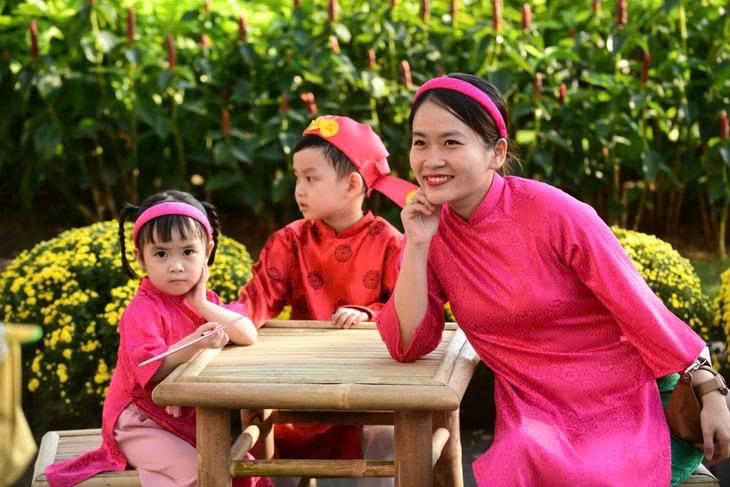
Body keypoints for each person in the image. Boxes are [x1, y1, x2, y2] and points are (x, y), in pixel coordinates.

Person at [376, 73, 730, 486]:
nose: (431, 159)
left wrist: (708, 386)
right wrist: (418, 244)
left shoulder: (556, 214)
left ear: (496, 152)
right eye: (420, 142)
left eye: (451, 142)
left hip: (625, 401)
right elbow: (408, 344)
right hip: (535, 414)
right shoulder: (429, 228)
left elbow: (639, 306)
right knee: (518, 456)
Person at [45, 190, 270, 487]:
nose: (176, 265)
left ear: (207, 251)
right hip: (140, 424)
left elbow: (247, 334)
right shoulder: (141, 311)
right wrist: (195, 344)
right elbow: (153, 369)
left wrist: (202, 304)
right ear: (141, 258)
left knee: (244, 469)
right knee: (201, 472)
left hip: (183, 421)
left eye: (188, 252)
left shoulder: (206, 301)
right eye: (161, 254)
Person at [238, 115, 415, 486]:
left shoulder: (389, 241)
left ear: (352, 184)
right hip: (303, 380)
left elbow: (406, 308)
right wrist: (229, 322)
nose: (298, 190)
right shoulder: (289, 240)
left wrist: (368, 313)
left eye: (310, 178)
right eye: (297, 177)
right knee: (256, 417)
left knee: (385, 433)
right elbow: (258, 298)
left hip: (370, 384)